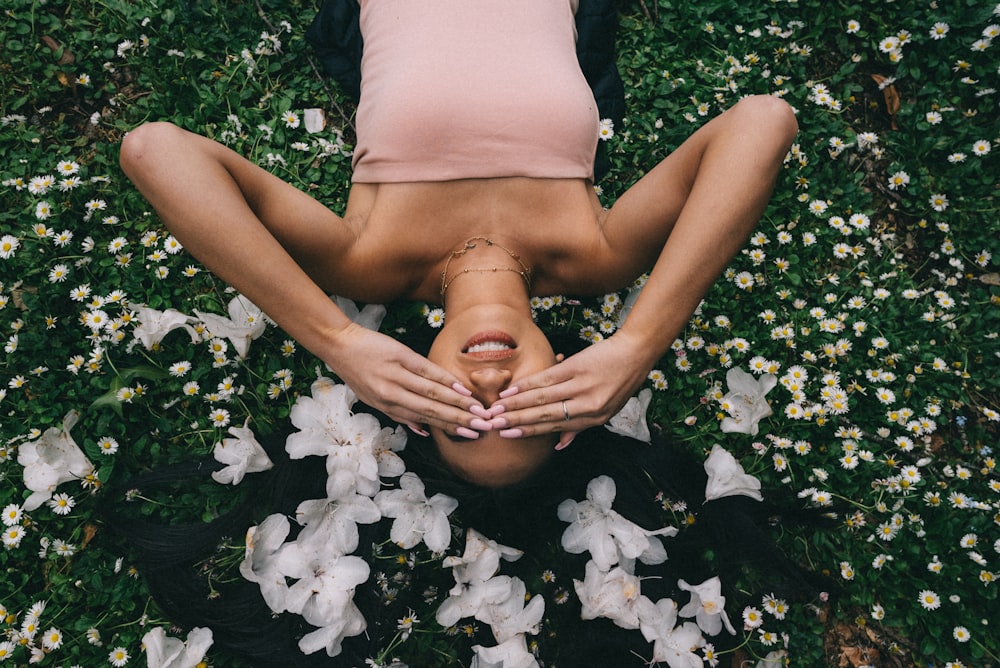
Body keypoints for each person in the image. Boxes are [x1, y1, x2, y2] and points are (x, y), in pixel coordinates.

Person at [118, 0, 797, 486]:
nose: (492, 386)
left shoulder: (368, 261)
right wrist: (637, 344)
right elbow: (764, 123)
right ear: (569, 388)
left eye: (465, 418)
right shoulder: (596, 255)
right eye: (525, 416)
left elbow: (155, 152)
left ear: (414, 407)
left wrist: (337, 341)